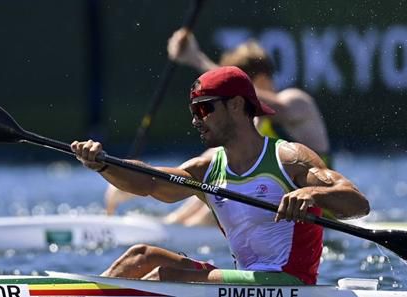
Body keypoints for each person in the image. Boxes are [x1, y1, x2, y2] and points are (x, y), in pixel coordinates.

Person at [72, 66, 369, 285]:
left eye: (204, 109)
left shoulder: (289, 159)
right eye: (193, 111)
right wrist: (103, 164)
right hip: (244, 280)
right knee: (141, 257)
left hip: (288, 283)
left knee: (166, 276)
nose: (195, 120)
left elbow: (357, 203)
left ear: (236, 105)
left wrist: (311, 193)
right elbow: (150, 181)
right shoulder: (208, 169)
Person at [105, 29, 332, 225]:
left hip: (316, 212)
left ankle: (179, 227)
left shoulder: (296, 101)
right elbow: (212, 160)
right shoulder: (253, 124)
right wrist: (126, 174)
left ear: (260, 79)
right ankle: (175, 223)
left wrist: (197, 59)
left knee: (230, 187)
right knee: (219, 164)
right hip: (271, 207)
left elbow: (278, 107)